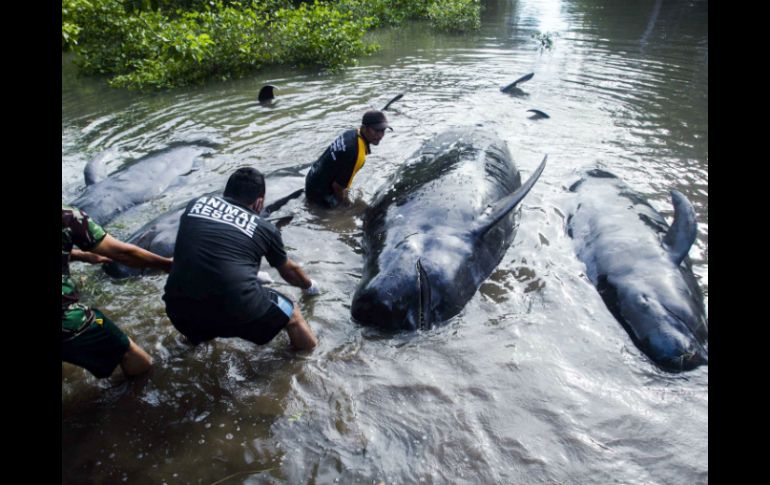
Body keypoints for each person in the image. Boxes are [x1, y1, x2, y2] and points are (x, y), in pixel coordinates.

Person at [163, 167, 319, 351]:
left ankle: (191, 345)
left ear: (226, 192)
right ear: (259, 201)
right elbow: (289, 272)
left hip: (178, 311)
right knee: (292, 314)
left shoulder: (195, 205)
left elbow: (207, 252)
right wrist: (310, 286)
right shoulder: (265, 228)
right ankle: (307, 357)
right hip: (237, 312)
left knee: (199, 301)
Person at [62, 207, 173, 379]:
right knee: (132, 354)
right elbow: (123, 253)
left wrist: (80, 255)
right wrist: (167, 264)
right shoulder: (68, 216)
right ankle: (135, 397)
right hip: (69, 320)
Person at [305, 109, 392, 208]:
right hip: (319, 193)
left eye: (383, 131)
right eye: (376, 130)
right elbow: (337, 187)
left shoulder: (352, 133)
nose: (380, 136)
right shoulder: (355, 153)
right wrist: (347, 205)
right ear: (364, 128)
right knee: (347, 211)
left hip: (312, 177)